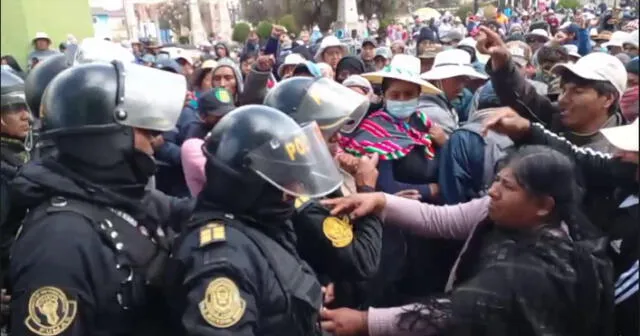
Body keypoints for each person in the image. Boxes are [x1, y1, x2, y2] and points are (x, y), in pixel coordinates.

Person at [319, 146, 614, 336]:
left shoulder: (538, 269)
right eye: (496, 180)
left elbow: (454, 315)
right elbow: (441, 220)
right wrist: (380, 200)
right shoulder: (499, 211)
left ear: (543, 205)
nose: (493, 191)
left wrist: (365, 322)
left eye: (507, 186)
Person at [9, 60, 186, 335]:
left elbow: (185, 211)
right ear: (109, 138)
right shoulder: (59, 244)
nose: (157, 141)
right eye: (147, 131)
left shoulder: (115, 195)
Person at [169, 105, 344, 335]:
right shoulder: (221, 262)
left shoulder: (262, 223)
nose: (296, 189)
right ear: (250, 185)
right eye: (286, 180)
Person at [483, 107, 638, 336]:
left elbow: (612, 301)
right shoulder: (624, 176)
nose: (617, 154)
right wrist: (526, 129)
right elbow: (577, 158)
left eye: (631, 150)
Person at [264, 76, 383, 308]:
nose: (338, 138)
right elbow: (363, 261)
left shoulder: (311, 176)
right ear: (299, 137)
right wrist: (368, 191)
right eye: (328, 131)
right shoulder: (300, 198)